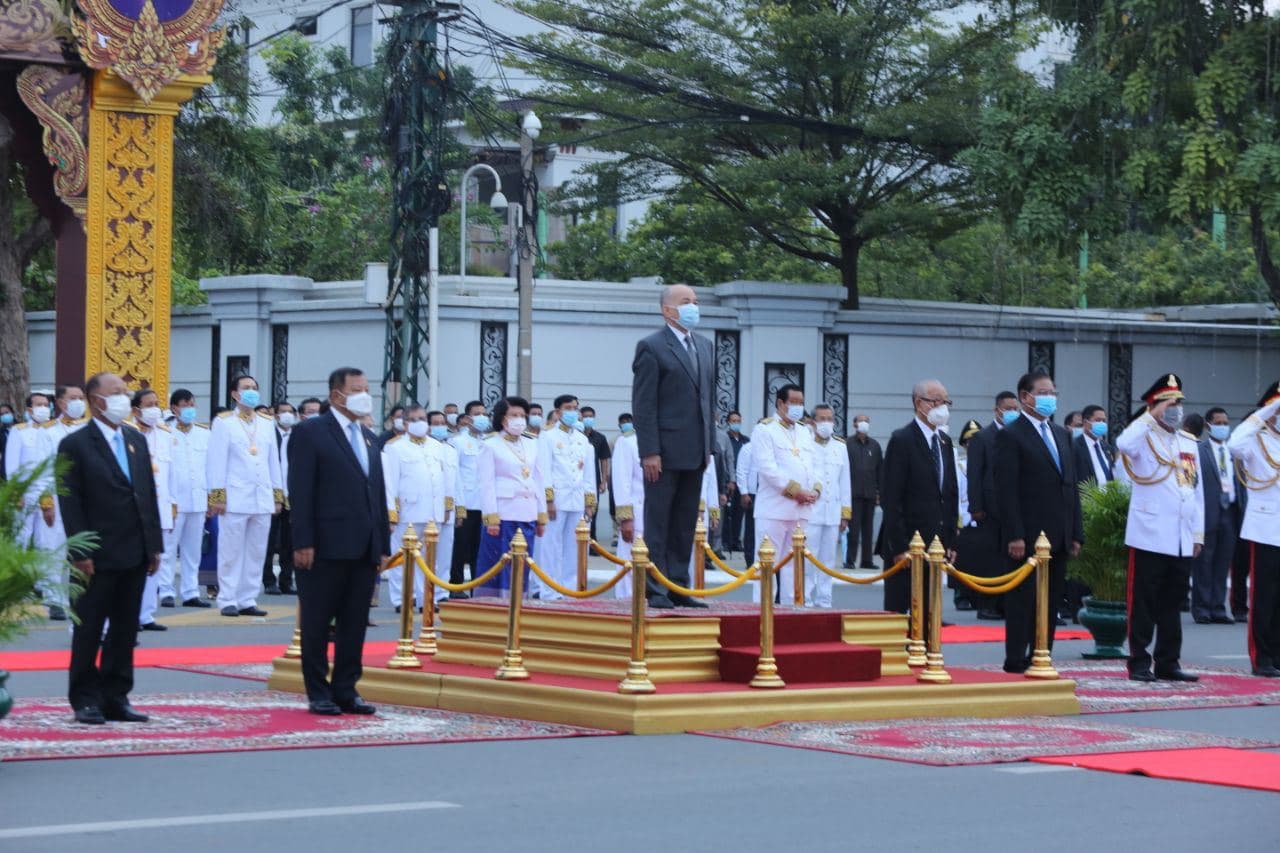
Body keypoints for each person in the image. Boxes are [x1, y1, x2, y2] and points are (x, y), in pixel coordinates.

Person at [59, 372, 163, 724]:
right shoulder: (75, 443)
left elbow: (146, 495)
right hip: (96, 554)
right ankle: (85, 698)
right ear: (95, 400)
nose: (124, 398)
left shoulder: (135, 439)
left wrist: (154, 547)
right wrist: (80, 552)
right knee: (89, 629)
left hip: (134, 550)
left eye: (125, 392)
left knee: (125, 629)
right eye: (116, 392)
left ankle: (116, 695)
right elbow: (70, 502)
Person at [287, 367, 387, 715]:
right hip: (323, 545)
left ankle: (347, 688)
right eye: (357, 389)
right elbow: (300, 491)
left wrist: (382, 544)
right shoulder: (310, 432)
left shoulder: (369, 436)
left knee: (354, 622)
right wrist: (303, 541)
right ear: (336, 396)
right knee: (317, 622)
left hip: (363, 546)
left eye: (366, 388)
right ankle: (318, 691)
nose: (364, 394)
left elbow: (377, 492)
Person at [631, 284, 715, 609]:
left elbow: (707, 401)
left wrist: (709, 446)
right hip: (663, 453)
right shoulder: (652, 347)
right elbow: (644, 404)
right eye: (685, 302)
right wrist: (650, 451)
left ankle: (679, 585)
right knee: (659, 521)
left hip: (696, 451)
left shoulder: (704, 346)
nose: (693, 307)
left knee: (684, 522)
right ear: (668, 310)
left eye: (695, 301)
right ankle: (656, 587)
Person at [1115, 373, 1203, 683]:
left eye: (1178, 403)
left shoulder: (1187, 442)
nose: (1176, 409)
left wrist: (1197, 533)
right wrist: (1149, 416)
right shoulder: (1142, 436)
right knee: (1143, 603)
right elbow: (1123, 443)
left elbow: (1194, 490)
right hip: (1149, 534)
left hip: (1180, 536)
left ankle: (1169, 661)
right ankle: (1139, 661)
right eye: (1169, 403)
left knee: (1172, 603)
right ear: (1155, 405)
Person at [994, 371, 1083, 673]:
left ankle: (1042, 653)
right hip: (1027, 535)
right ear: (1025, 397)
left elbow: (1071, 486)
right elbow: (1006, 490)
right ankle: (1016, 658)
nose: (1050, 398)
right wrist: (1015, 534)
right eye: (1043, 392)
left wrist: (1075, 532)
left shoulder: (1062, 434)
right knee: (1022, 600)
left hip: (1058, 534)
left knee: (1052, 598)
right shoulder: (1011, 435)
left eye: (1053, 392)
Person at [879, 380, 959, 615]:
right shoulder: (902, 439)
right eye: (936, 401)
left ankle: (926, 651)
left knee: (929, 610)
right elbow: (891, 497)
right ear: (919, 403)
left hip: (936, 543)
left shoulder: (944, 442)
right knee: (900, 609)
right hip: (908, 543)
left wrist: (951, 540)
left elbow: (950, 493)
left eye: (945, 401)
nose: (942, 407)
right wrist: (900, 547)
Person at [206, 375, 282, 618]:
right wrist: (217, 495)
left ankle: (247, 598)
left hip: (261, 495)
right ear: (235, 394)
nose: (251, 392)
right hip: (235, 496)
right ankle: (227, 598)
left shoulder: (267, 422)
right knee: (231, 549)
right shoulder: (224, 422)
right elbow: (216, 460)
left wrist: (277, 495)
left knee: (257, 549)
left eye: (254, 388)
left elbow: (274, 461)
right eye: (246, 388)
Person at [1227, 388, 1280, 677]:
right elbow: (1234, 445)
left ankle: (1277, 653)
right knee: (1263, 596)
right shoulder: (1254, 440)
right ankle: (1261, 657)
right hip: (1264, 528)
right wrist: (1265, 412)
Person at [750, 385, 820, 603]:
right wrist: (795, 492)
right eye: (794, 402)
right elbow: (768, 469)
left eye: (801, 402)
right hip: (774, 509)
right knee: (766, 566)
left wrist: (816, 490)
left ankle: (792, 611)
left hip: (801, 510)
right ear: (781, 403)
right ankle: (761, 614)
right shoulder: (765, 429)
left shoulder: (805, 431)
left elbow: (814, 465)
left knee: (794, 567)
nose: (799, 407)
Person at [476, 396, 547, 596]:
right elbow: (487, 483)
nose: (519, 419)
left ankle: (518, 600)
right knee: (500, 560)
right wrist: (491, 517)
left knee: (524, 561)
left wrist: (541, 515)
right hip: (503, 512)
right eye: (514, 415)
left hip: (527, 511)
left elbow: (539, 479)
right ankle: (495, 604)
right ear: (502, 418)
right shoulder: (490, 444)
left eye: (522, 415)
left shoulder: (532, 443)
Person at [958, 392, 1018, 621]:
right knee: (991, 559)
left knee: (1010, 558)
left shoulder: (1018, 434)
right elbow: (975, 474)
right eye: (1008, 407)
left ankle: (1005, 603)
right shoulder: (983, 437)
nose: (1012, 411)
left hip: (1012, 507)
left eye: (1015, 407)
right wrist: (976, 507)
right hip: (988, 508)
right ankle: (987, 604)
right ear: (997, 410)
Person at [383, 406, 449, 612]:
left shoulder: (437, 446)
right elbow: (390, 483)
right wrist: (391, 514)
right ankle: (402, 598)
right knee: (400, 557)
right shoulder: (394, 447)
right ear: (405, 423)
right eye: (413, 419)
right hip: (408, 511)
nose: (419, 422)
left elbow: (444, 478)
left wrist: (447, 507)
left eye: (422, 418)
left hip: (433, 510)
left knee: (430, 560)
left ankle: (427, 598)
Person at [536, 395, 597, 600]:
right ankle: (549, 590)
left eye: (575, 408)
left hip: (577, 499)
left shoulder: (582, 439)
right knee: (551, 546)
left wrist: (589, 504)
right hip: (557, 499)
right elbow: (544, 470)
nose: (573, 412)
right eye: (568, 408)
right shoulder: (548, 436)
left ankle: (571, 588)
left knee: (574, 546)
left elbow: (589, 475)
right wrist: (549, 501)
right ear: (559, 412)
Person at [38, 385, 91, 619]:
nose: (78, 402)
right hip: (58, 499)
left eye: (81, 398)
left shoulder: (90, 430)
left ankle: (78, 597)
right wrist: (47, 503)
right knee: (55, 549)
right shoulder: (48, 432)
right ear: (60, 403)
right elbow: (42, 470)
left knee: (81, 550)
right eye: (73, 398)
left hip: (84, 500)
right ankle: (53, 600)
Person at [1189, 407, 1240, 624]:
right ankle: (1201, 608)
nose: (1223, 426)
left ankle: (1218, 607)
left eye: (1225, 422)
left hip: (1230, 512)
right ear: (1208, 426)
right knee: (1204, 563)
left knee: (1223, 562)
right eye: (1218, 423)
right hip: (1208, 512)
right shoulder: (1199, 450)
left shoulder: (1234, 451)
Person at [130, 390, 175, 633]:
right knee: (136, 561)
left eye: (157, 404)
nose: (155, 409)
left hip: (162, 507)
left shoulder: (166, 435)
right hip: (136, 508)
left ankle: (147, 614)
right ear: (136, 410)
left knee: (158, 559)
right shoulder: (127, 433)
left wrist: (174, 506)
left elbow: (173, 474)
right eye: (149, 405)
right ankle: (132, 614)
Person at [166, 389, 212, 608]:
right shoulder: (166, 433)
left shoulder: (204, 433)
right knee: (168, 548)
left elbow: (211, 467)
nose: (190, 408)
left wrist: (212, 497)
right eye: (185, 404)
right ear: (174, 408)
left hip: (198, 498)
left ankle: (190, 592)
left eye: (192, 404)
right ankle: (165, 590)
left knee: (192, 551)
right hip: (175, 500)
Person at [807, 405, 852, 607]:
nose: (826, 422)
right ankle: (806, 597)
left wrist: (845, 512)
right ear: (813, 421)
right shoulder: (806, 444)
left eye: (830, 419)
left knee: (828, 559)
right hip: (811, 512)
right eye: (822, 418)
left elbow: (845, 481)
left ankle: (825, 599)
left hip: (832, 511)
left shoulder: (840, 447)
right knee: (808, 557)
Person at [448, 402, 489, 596]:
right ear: (467, 418)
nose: (481, 417)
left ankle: (477, 584)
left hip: (485, 504)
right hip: (466, 503)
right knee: (460, 547)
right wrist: (458, 506)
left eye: (484, 413)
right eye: (476, 414)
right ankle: (456, 585)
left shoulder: (489, 441)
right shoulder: (458, 442)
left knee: (480, 549)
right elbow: (454, 476)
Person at [263, 402, 298, 595]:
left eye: (290, 412)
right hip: (272, 494)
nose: (287, 415)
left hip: (292, 495)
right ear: (275, 415)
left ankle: (287, 580)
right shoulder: (269, 435)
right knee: (269, 541)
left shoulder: (298, 435)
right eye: (283, 412)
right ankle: (268, 580)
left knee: (289, 541)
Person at [611, 412, 644, 599]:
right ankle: (625, 600)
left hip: (657, 514)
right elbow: (622, 481)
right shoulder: (628, 442)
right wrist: (625, 517)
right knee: (629, 562)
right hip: (636, 512)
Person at [844, 414, 882, 570]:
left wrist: (879, 491)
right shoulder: (847, 444)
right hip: (853, 493)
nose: (864, 424)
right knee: (853, 530)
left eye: (866, 421)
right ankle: (850, 559)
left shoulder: (874, 445)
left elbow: (880, 469)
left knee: (868, 530)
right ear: (854, 424)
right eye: (861, 421)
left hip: (870, 494)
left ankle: (867, 560)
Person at [722, 411, 749, 555]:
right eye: (733, 420)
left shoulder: (746, 440)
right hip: (729, 481)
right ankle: (726, 541)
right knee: (727, 512)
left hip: (742, 480)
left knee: (740, 513)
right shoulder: (725, 438)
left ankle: (736, 541)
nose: (736, 423)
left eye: (738, 420)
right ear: (728, 422)